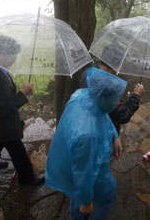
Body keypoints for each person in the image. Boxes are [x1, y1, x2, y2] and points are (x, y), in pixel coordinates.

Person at [46, 67, 126, 220]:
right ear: (103, 97)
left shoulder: (82, 95)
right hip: (98, 184)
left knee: (77, 201)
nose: (118, 103)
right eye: (115, 99)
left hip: (75, 169)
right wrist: (86, 201)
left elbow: (102, 115)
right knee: (96, 203)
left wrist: (115, 135)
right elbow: (83, 173)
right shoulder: (87, 136)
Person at [0, 35, 44, 186]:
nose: (15, 58)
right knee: (17, 150)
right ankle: (27, 178)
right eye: (11, 54)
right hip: (1, 122)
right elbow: (3, 108)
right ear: (1, 55)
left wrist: (20, 94)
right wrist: (22, 94)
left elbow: (2, 100)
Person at [78, 44, 145, 135]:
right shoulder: (108, 89)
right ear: (116, 67)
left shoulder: (88, 72)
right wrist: (136, 96)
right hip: (102, 133)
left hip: (87, 124)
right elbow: (123, 115)